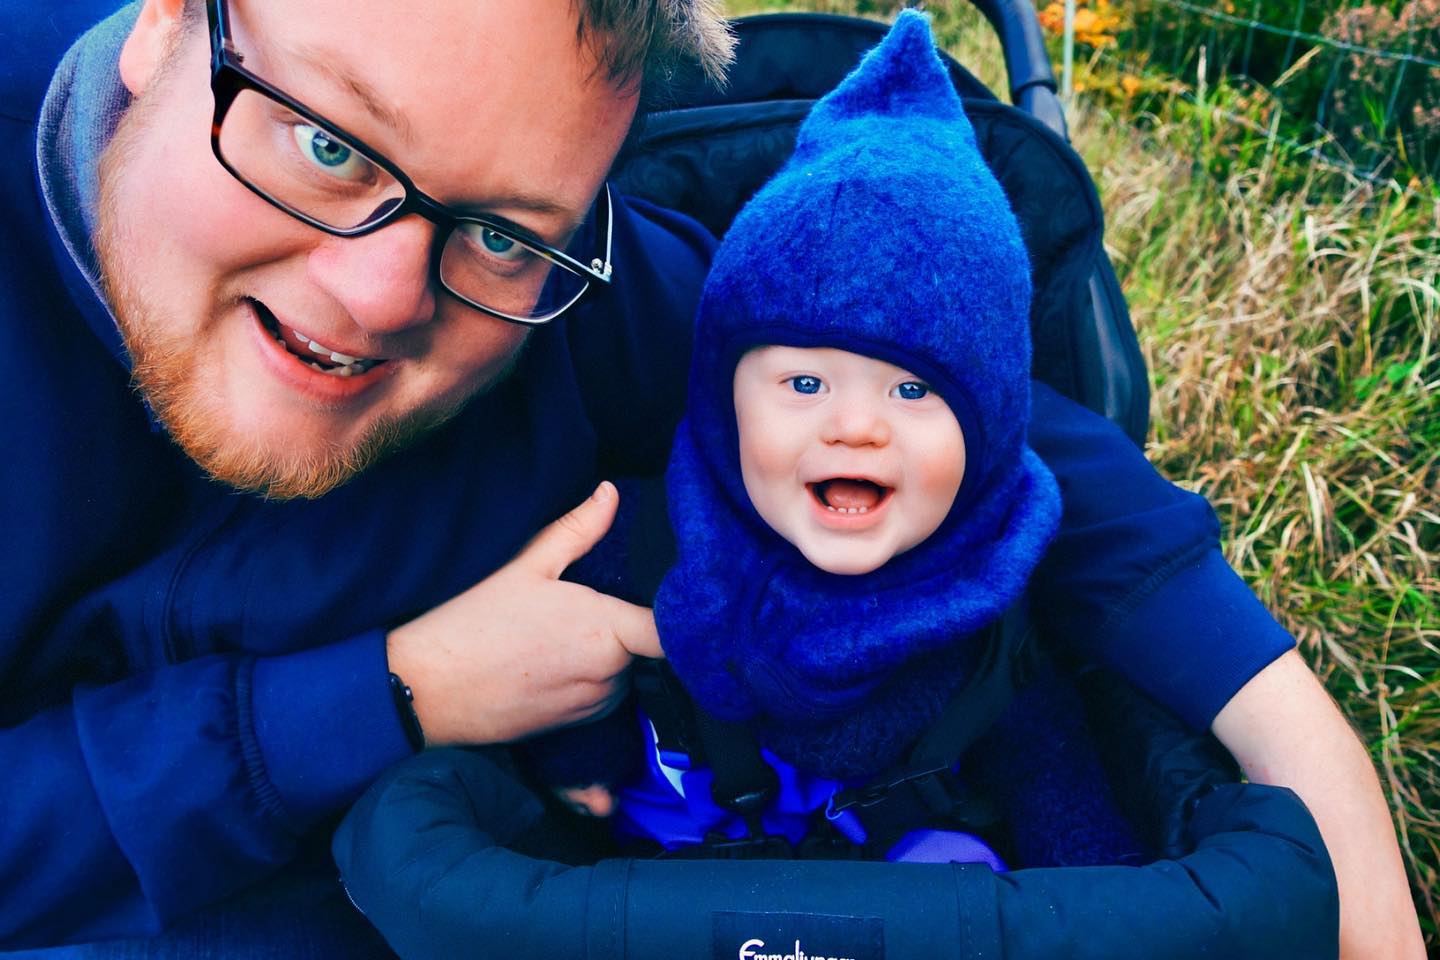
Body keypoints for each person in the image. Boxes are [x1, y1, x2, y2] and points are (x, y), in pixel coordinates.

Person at [0, 0, 1420, 957]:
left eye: (501, 232)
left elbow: (957, 411)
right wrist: (392, 691)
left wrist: (1280, 717)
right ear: (168, 21)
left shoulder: (589, 306)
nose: (378, 297)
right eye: (325, 145)